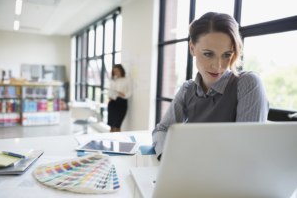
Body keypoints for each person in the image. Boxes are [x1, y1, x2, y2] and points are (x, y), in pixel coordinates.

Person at [152, 12, 269, 160]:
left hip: (231, 178)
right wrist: (167, 159)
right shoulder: (188, 89)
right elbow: (162, 129)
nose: (218, 66)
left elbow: (248, 150)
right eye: (208, 54)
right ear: (192, 49)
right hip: (191, 169)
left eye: (227, 55)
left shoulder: (248, 83)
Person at [107, 64, 132, 132]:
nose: (115, 73)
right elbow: (111, 90)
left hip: (121, 103)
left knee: (117, 126)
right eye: (114, 71)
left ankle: (118, 142)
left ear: (121, 70)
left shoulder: (127, 79)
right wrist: (110, 96)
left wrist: (123, 94)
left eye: (117, 71)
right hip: (112, 103)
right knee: (111, 127)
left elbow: (129, 93)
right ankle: (110, 142)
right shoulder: (113, 80)